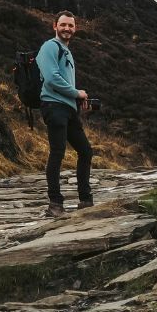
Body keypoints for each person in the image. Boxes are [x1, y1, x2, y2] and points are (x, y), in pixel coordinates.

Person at [37, 11, 94, 218]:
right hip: (53, 106)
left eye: (70, 25)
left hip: (68, 109)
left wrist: (77, 99)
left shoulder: (67, 52)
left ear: (75, 28)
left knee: (86, 151)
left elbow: (64, 82)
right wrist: (76, 92)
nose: (67, 29)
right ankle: (55, 204)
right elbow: (51, 79)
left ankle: (85, 200)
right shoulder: (49, 47)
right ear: (55, 26)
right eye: (63, 25)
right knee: (57, 152)